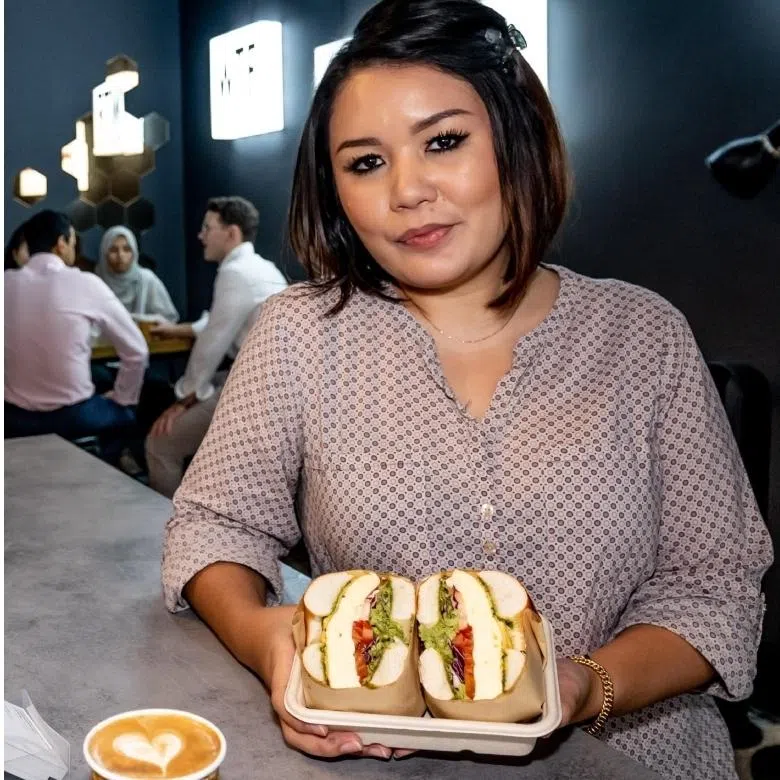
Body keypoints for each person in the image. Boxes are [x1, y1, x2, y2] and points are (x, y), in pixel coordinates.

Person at [160, 2, 773, 778]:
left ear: (518, 140)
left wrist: (586, 687)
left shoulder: (642, 335)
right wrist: (264, 640)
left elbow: (714, 586)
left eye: (443, 141)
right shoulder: (299, 333)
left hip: (632, 758)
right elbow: (215, 527)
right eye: (365, 162)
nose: (408, 190)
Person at [145, 196, 287, 498]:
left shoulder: (235, 273)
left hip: (260, 393)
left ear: (232, 234)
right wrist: (179, 329)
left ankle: (167, 534)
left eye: (208, 228)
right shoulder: (261, 266)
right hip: (279, 387)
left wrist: (184, 398)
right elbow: (221, 322)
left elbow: (213, 343)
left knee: (160, 443)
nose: (201, 235)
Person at [5, 210, 148, 450]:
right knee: (126, 414)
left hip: (13, 419)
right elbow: (137, 352)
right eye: (73, 241)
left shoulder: (5, 283)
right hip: (74, 417)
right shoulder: (86, 283)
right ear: (61, 243)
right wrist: (122, 397)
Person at [96, 226, 179, 322]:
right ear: (104, 253)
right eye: (114, 250)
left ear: (134, 252)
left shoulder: (147, 280)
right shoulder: (97, 282)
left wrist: (136, 321)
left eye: (127, 249)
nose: (120, 255)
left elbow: (169, 318)